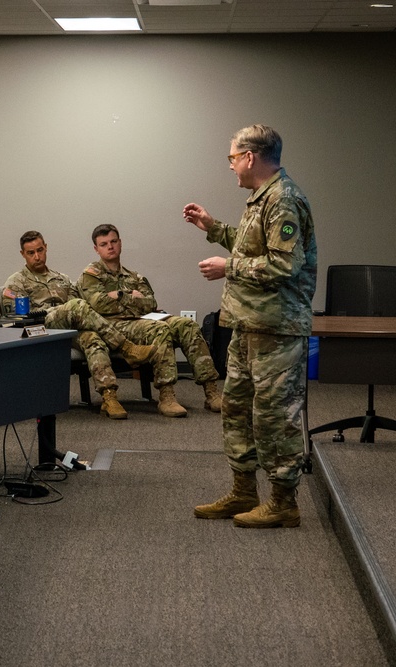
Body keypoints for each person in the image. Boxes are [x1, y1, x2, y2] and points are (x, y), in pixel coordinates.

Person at [186, 124, 316, 529]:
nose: (231, 167)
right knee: (238, 411)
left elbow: (284, 265)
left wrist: (229, 267)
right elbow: (250, 246)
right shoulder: (261, 200)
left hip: (277, 329)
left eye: (231, 158)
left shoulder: (284, 200)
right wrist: (213, 227)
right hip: (248, 327)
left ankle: (283, 502)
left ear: (250, 157)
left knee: (275, 416)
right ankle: (244, 491)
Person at [1, 231, 159, 419]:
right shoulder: (16, 282)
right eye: (31, 253)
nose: (37, 256)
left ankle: (109, 396)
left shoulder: (62, 278)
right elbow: (14, 316)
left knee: (93, 339)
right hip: (42, 327)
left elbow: (81, 308)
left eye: (40, 250)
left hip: (68, 329)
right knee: (77, 305)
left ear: (46, 248)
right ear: (23, 254)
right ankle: (126, 347)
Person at [78, 224, 222, 418]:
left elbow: (150, 303)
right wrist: (130, 296)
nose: (110, 247)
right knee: (159, 329)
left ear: (120, 243)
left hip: (141, 319)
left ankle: (211, 391)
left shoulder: (134, 275)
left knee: (187, 325)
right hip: (114, 325)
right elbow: (99, 306)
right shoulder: (91, 275)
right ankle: (167, 396)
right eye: (104, 244)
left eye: (113, 242)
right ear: (96, 249)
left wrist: (118, 296)